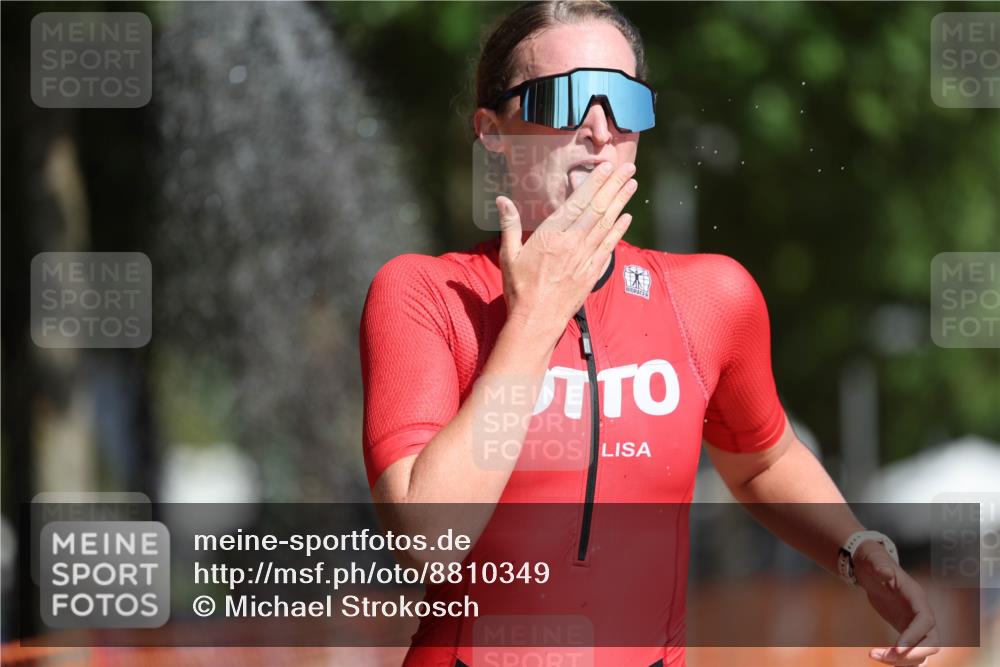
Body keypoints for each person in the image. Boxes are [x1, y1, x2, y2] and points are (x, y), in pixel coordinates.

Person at [360, 2, 939, 665]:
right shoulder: (426, 294)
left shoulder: (709, 296)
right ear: (494, 131)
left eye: (626, 102)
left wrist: (860, 549)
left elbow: (763, 459)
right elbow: (427, 538)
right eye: (568, 98)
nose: (600, 130)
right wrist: (534, 320)